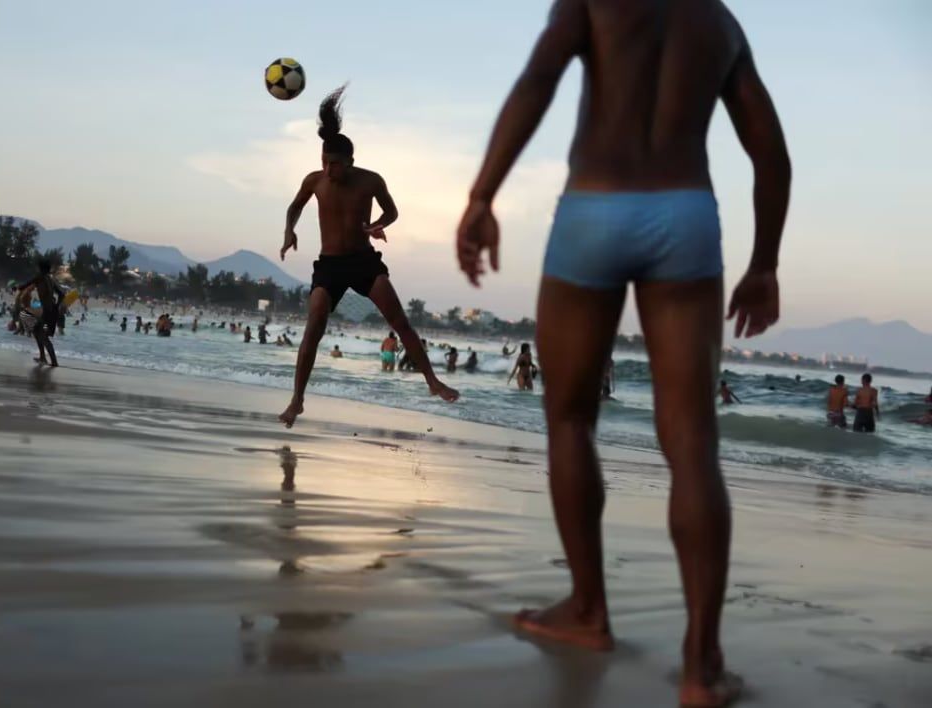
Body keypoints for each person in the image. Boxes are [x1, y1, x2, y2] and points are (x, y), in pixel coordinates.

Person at [455, 2, 791, 705]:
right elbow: (768, 150)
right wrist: (763, 264)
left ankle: (586, 610)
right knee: (693, 443)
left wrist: (483, 194)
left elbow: (536, 81)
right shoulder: (718, 22)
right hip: (684, 214)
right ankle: (701, 666)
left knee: (569, 419)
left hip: (593, 208)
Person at [277, 86, 458, 427]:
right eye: (325, 163)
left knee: (400, 321)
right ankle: (297, 400)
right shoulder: (314, 182)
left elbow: (392, 212)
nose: (329, 170)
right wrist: (290, 230)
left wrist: (377, 224)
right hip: (329, 265)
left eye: (335, 165)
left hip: (364, 262)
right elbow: (294, 206)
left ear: (350, 162)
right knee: (314, 322)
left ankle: (433, 382)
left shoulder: (370, 181)